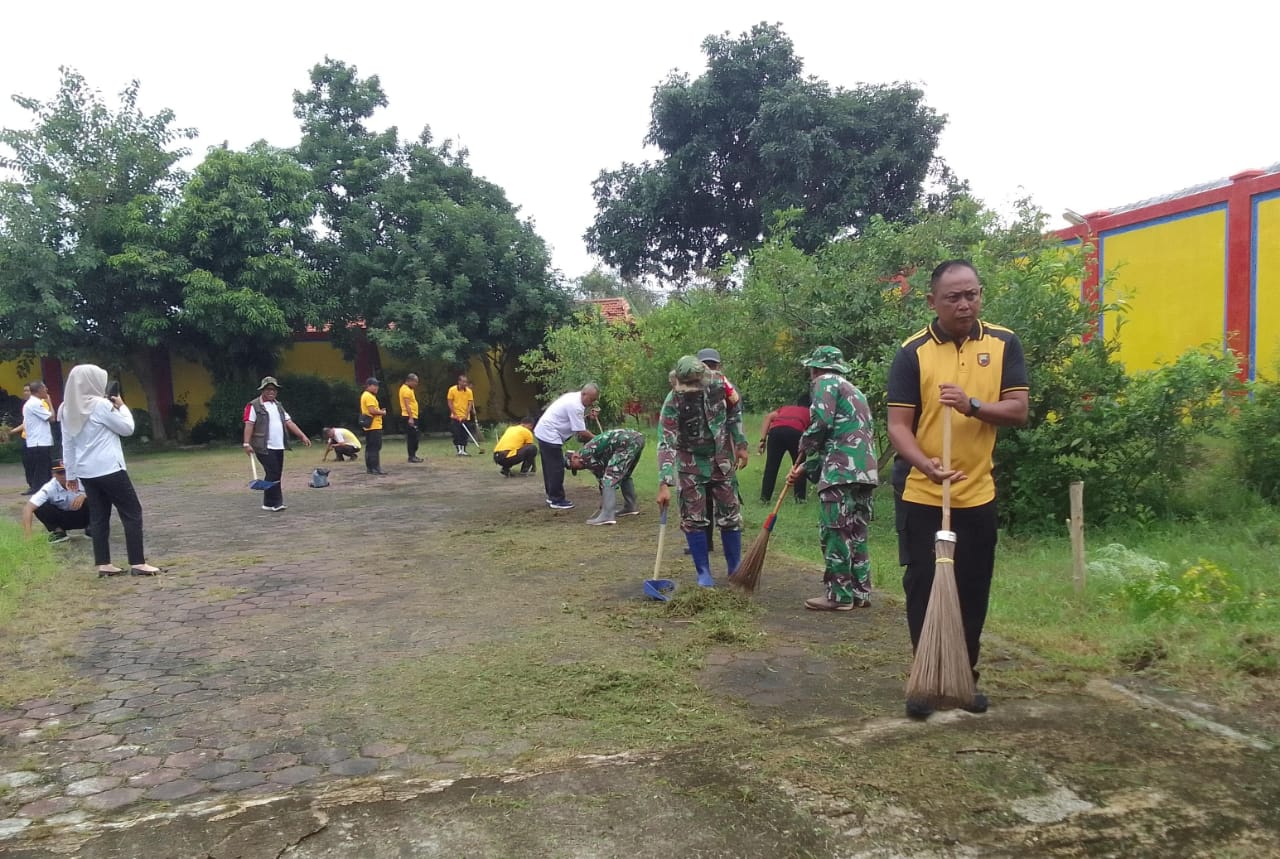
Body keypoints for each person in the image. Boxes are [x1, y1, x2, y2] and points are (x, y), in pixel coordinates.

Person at [887, 259, 1029, 719]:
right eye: (954, 297)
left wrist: (971, 405)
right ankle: (926, 681)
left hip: (977, 494)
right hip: (924, 494)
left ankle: (964, 677)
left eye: (972, 294)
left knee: (972, 588)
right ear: (932, 302)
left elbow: (1018, 410)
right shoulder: (913, 354)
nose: (965, 304)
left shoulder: (1004, 344)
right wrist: (925, 464)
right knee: (924, 588)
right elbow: (898, 427)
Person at [785, 347, 878, 611]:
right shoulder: (854, 391)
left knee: (835, 531)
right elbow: (844, 434)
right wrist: (807, 467)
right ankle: (861, 592)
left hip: (840, 472)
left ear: (815, 369)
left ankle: (839, 595)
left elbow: (822, 422)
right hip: (863, 471)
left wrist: (805, 444)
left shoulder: (825, 383)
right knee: (857, 531)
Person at [60, 364, 161, 577]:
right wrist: (122, 407)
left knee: (98, 517)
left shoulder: (65, 408)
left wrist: (70, 474)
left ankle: (103, 564)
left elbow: (67, 444)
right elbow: (127, 429)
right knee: (132, 512)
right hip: (109, 469)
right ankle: (138, 562)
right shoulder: (100, 405)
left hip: (86, 472)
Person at [656, 357, 748, 587]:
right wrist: (664, 483)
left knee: (730, 515)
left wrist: (741, 444)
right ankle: (703, 573)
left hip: (721, 458)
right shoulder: (673, 400)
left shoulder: (720, 384)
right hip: (691, 463)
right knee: (693, 518)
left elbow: (735, 410)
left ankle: (734, 568)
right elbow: (666, 442)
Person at [242, 376, 313, 512]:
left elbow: (289, 422)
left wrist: (302, 435)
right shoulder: (254, 405)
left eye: (274, 390)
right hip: (263, 446)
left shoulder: (278, 406)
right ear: (262, 390)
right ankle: (276, 503)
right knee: (273, 472)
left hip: (278, 445)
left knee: (275, 473)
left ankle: (268, 503)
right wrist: (246, 443)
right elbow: (249, 424)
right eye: (268, 389)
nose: (271, 392)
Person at [534, 384, 600, 510]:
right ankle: (557, 499)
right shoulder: (575, 405)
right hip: (549, 434)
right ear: (584, 394)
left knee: (550, 467)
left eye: (594, 400)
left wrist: (588, 418)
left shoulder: (573, 397)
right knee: (556, 468)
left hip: (544, 431)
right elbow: (581, 432)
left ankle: (551, 496)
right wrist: (600, 439)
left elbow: (572, 420)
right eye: (591, 400)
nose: (592, 403)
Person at [566, 428, 645, 525]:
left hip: (625, 441)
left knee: (609, 478)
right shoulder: (588, 453)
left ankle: (607, 515)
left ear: (575, 457)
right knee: (625, 474)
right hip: (637, 438)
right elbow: (601, 472)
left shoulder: (585, 455)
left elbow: (603, 476)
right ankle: (630, 507)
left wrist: (604, 500)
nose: (579, 469)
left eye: (575, 466)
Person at [759, 394, 811, 504]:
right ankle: (800, 498)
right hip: (795, 433)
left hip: (776, 432)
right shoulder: (811, 412)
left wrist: (762, 440)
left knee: (771, 466)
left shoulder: (786, 408)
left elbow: (769, 417)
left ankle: (765, 498)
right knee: (799, 466)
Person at [21, 460, 89, 543]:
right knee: (40, 506)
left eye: (67, 471)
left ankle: (92, 528)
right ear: (53, 474)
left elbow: (101, 494)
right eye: (60, 473)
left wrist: (84, 495)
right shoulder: (49, 487)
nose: (65, 475)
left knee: (93, 498)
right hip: (63, 519)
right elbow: (28, 508)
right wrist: (28, 535)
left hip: (84, 516)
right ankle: (58, 532)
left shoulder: (83, 481)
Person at [22, 381, 55, 495]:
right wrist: (49, 403)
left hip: (36, 441)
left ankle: (42, 490)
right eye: (45, 388)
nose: (46, 390)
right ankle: (40, 491)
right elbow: (51, 418)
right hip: (39, 441)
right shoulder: (35, 403)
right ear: (39, 390)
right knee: (42, 470)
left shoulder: (31, 403)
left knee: (42, 469)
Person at [360, 377, 387, 475]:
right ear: (369, 386)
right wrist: (382, 412)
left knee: (370, 447)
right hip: (374, 426)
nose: (377, 387)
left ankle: (370, 468)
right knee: (375, 447)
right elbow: (372, 411)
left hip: (370, 426)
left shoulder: (366, 395)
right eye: (375, 385)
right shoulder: (369, 396)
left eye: (377, 385)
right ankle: (376, 468)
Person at [446, 374, 476, 456]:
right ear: (459, 382)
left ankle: (463, 450)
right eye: (463, 382)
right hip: (455, 417)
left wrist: (466, 415)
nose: (465, 383)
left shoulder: (469, 391)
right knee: (456, 433)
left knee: (464, 434)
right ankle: (459, 450)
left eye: (466, 382)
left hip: (465, 416)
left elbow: (470, 404)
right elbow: (450, 402)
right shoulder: (452, 390)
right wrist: (455, 414)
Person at [399, 373, 424, 463]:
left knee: (415, 436)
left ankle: (413, 455)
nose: (416, 384)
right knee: (413, 437)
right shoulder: (406, 390)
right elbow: (407, 405)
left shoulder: (409, 389)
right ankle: (411, 456)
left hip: (413, 415)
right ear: (410, 380)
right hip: (409, 416)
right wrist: (410, 417)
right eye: (415, 382)